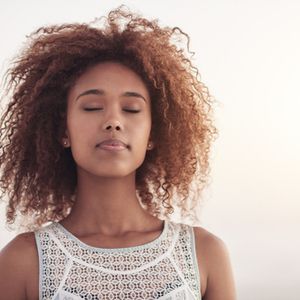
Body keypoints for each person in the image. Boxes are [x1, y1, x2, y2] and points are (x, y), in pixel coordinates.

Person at [0, 6, 236, 300]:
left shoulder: (204, 255)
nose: (113, 121)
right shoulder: (23, 262)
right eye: (92, 107)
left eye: (131, 109)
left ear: (153, 133)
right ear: (62, 130)